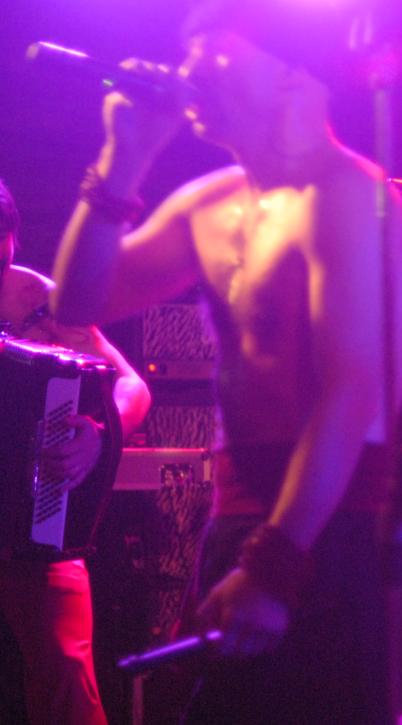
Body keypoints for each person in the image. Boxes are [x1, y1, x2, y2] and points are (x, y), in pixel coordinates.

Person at [49, 1, 402, 722]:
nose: (189, 70)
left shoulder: (348, 195)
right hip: (241, 529)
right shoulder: (210, 204)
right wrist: (123, 159)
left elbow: (352, 394)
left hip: (330, 531)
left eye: (213, 50)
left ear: (288, 71)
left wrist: (274, 565)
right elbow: (78, 298)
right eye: (187, 51)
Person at [0, 178, 151, 724]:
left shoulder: (36, 299)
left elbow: (131, 386)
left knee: (65, 670)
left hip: (35, 532)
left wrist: (102, 431)